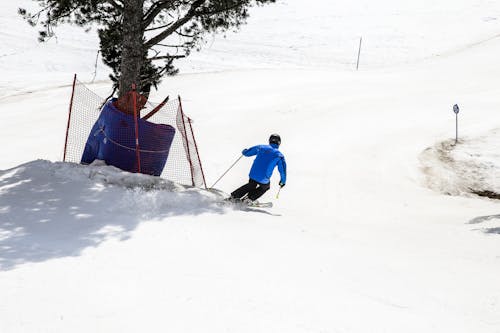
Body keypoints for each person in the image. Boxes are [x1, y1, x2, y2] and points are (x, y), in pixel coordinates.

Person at [229, 134, 287, 204]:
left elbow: (247, 153)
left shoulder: (261, 147)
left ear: (269, 141)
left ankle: (234, 196)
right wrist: (282, 182)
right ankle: (249, 198)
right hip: (264, 178)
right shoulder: (279, 155)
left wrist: (244, 151)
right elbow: (283, 171)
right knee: (265, 187)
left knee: (251, 185)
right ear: (279, 143)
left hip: (253, 174)